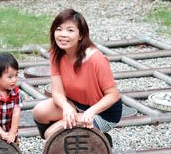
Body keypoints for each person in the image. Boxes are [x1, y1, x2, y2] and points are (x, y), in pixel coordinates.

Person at [32, 8, 122, 145]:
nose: (63, 35)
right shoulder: (56, 54)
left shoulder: (96, 59)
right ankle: (69, 137)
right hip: (75, 104)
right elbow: (57, 92)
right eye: (59, 29)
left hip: (102, 112)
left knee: (51, 134)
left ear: (81, 35)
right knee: (39, 112)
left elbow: (113, 95)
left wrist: (91, 112)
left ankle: (99, 140)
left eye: (70, 30)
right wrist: (66, 107)